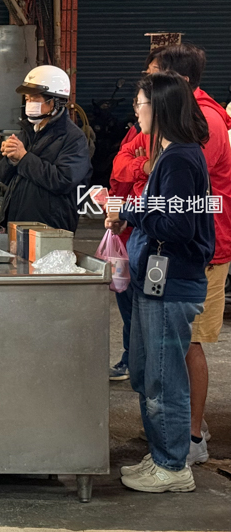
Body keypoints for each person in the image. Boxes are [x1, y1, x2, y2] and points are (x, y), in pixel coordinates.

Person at [111, 44, 231, 463]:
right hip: (156, 272)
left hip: (175, 276)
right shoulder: (167, 151)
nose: (135, 109)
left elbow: (180, 222)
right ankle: (165, 452)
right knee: (151, 372)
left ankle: (174, 460)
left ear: (162, 103)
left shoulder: (180, 156)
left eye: (141, 102)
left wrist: (134, 212)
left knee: (167, 376)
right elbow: (128, 170)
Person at [106, 47, 163, 382]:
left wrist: (142, 174)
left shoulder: (180, 147)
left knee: (156, 321)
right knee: (130, 304)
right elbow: (119, 170)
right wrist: (142, 165)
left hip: (157, 248)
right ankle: (133, 360)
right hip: (132, 236)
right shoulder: (138, 132)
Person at [0, 65, 92, 232]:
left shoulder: (73, 138)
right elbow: (4, 177)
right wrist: (11, 159)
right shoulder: (27, 131)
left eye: (35, 99)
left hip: (50, 228)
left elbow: (63, 180)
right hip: (17, 224)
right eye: (27, 99)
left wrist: (24, 158)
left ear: (55, 102)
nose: (29, 104)